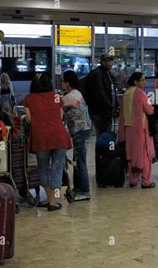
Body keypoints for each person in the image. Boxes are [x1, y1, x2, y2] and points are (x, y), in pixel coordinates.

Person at [22, 73, 72, 211]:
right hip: (59, 136)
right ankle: (53, 201)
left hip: (41, 138)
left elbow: (29, 120)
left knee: (43, 168)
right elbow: (61, 116)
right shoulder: (56, 97)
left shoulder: (29, 99)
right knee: (56, 169)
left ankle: (49, 199)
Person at [118, 72, 156, 189]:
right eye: (143, 80)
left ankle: (133, 180)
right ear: (136, 81)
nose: (145, 82)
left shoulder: (126, 93)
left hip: (128, 129)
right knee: (145, 155)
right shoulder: (141, 93)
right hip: (140, 129)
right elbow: (150, 110)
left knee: (131, 154)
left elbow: (122, 114)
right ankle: (146, 181)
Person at [62, 70, 92, 201]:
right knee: (76, 161)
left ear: (68, 83)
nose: (61, 83)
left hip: (80, 131)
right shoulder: (76, 93)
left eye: (63, 81)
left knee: (81, 162)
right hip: (83, 130)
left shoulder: (71, 96)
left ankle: (85, 192)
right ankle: (78, 189)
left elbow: (56, 105)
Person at [82, 54, 118, 137]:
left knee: (104, 135)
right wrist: (110, 107)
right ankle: (102, 150)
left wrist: (116, 105)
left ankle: (103, 149)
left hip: (105, 111)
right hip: (99, 112)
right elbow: (100, 93)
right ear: (101, 62)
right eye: (105, 61)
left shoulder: (108, 74)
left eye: (109, 61)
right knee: (103, 136)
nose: (108, 63)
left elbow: (112, 91)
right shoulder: (97, 74)